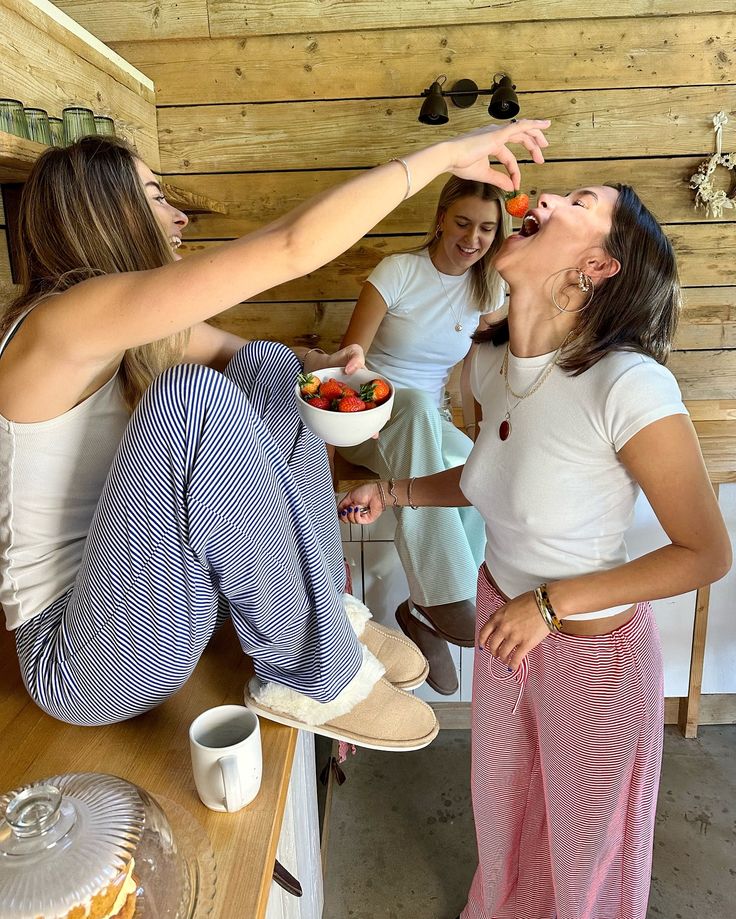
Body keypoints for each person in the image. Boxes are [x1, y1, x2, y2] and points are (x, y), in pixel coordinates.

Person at [0, 121, 551, 753]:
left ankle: (328, 621)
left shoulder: (119, 328)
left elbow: (266, 356)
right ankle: (305, 677)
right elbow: (290, 247)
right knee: (189, 396)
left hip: (151, 620)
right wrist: (442, 157)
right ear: (108, 214)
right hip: (76, 664)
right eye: (156, 197)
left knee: (273, 370)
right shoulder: (57, 328)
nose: (179, 217)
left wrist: (336, 373)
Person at [339, 183, 731, 915]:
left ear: (599, 266)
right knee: (504, 805)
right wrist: (393, 494)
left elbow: (706, 552)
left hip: (592, 655)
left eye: (579, 203)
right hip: (504, 623)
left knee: (588, 842)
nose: (542, 197)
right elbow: (494, 477)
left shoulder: (629, 385)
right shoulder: (489, 366)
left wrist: (549, 606)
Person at [337, 177, 509, 694]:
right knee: (409, 402)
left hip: (426, 425)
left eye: (486, 228)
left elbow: (491, 364)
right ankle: (445, 595)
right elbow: (351, 362)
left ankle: (425, 615)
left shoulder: (489, 288)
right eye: (462, 223)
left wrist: (485, 428)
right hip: (369, 416)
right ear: (439, 218)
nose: (472, 238)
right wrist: (363, 378)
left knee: (483, 473)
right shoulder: (398, 271)